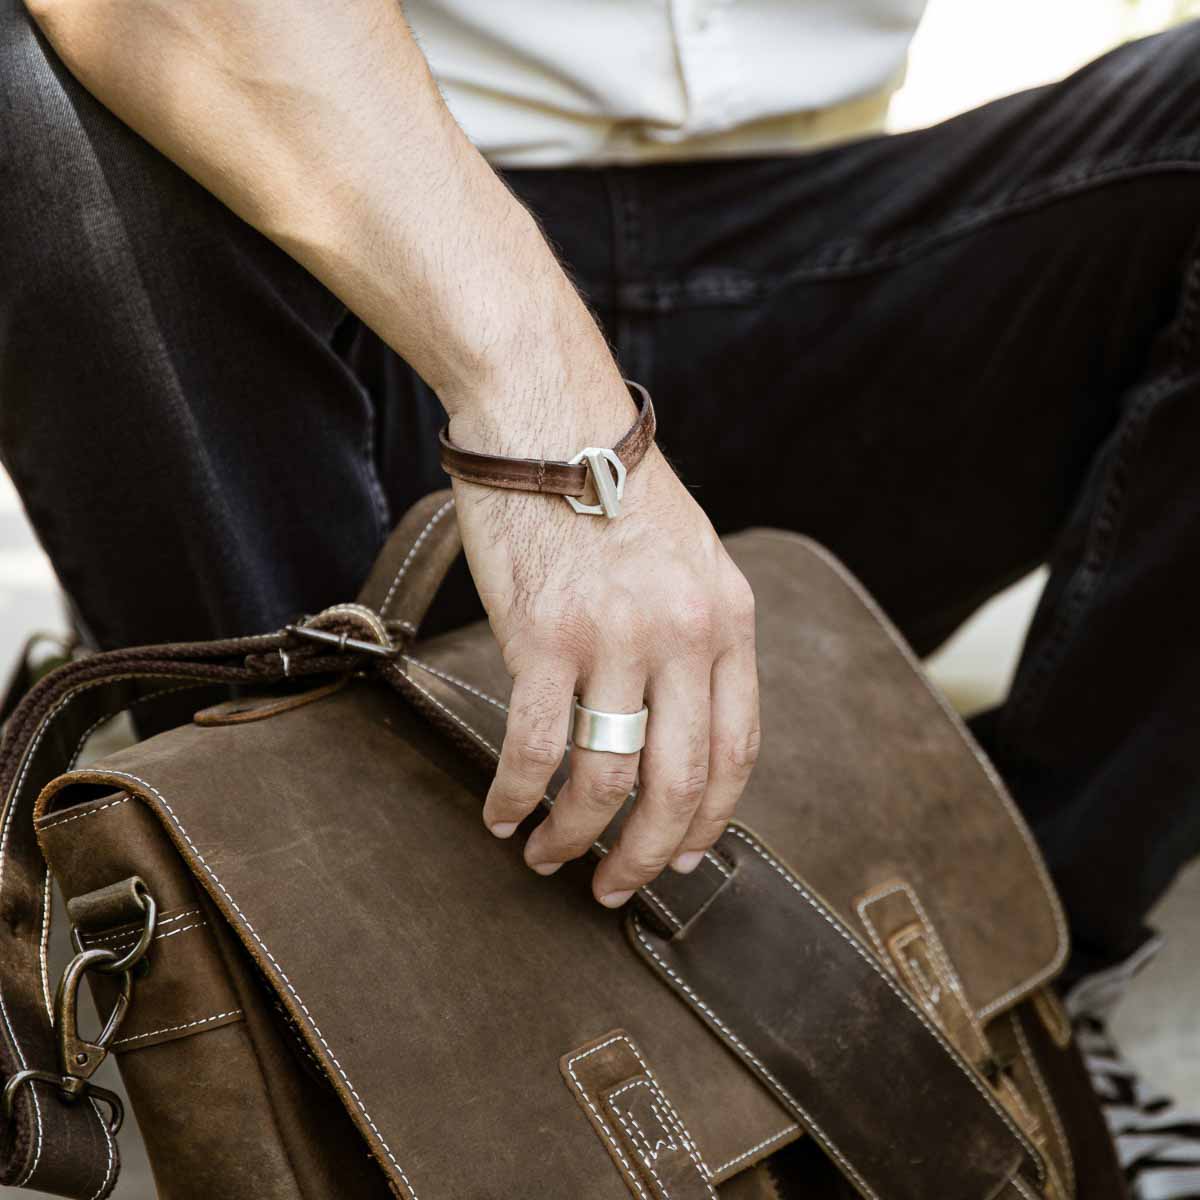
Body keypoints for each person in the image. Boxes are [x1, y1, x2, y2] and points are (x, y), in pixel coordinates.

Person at [1, 1, 1197, 1193]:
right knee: (34, 102)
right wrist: (551, 416)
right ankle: (319, 996)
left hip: (843, 261)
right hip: (363, 259)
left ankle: (1018, 960)